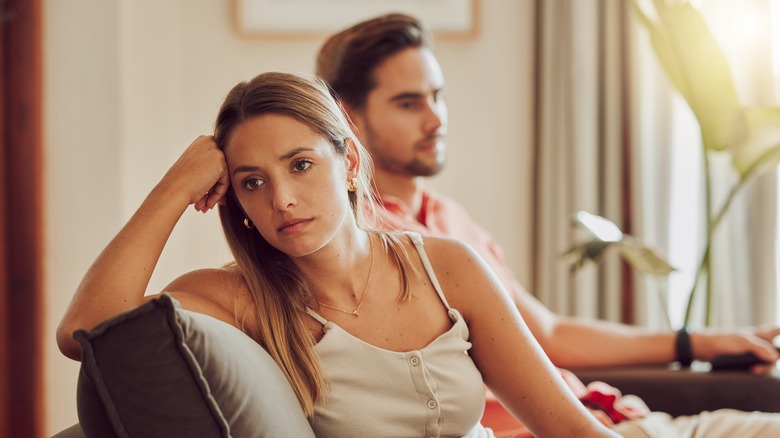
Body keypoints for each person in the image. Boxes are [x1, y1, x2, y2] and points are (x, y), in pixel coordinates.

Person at [56, 72, 617, 437]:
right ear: (236, 199)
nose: (282, 200)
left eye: (301, 165)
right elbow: (85, 330)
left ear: (348, 162)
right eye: (252, 182)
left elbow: (571, 428)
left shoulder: (447, 267)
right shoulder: (234, 299)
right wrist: (175, 188)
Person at [316, 13, 780, 437]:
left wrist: (695, 342)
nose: (436, 119)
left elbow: (547, 332)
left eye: (438, 96)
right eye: (408, 103)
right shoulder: (361, 247)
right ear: (348, 116)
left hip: (621, 418)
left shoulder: (448, 217)